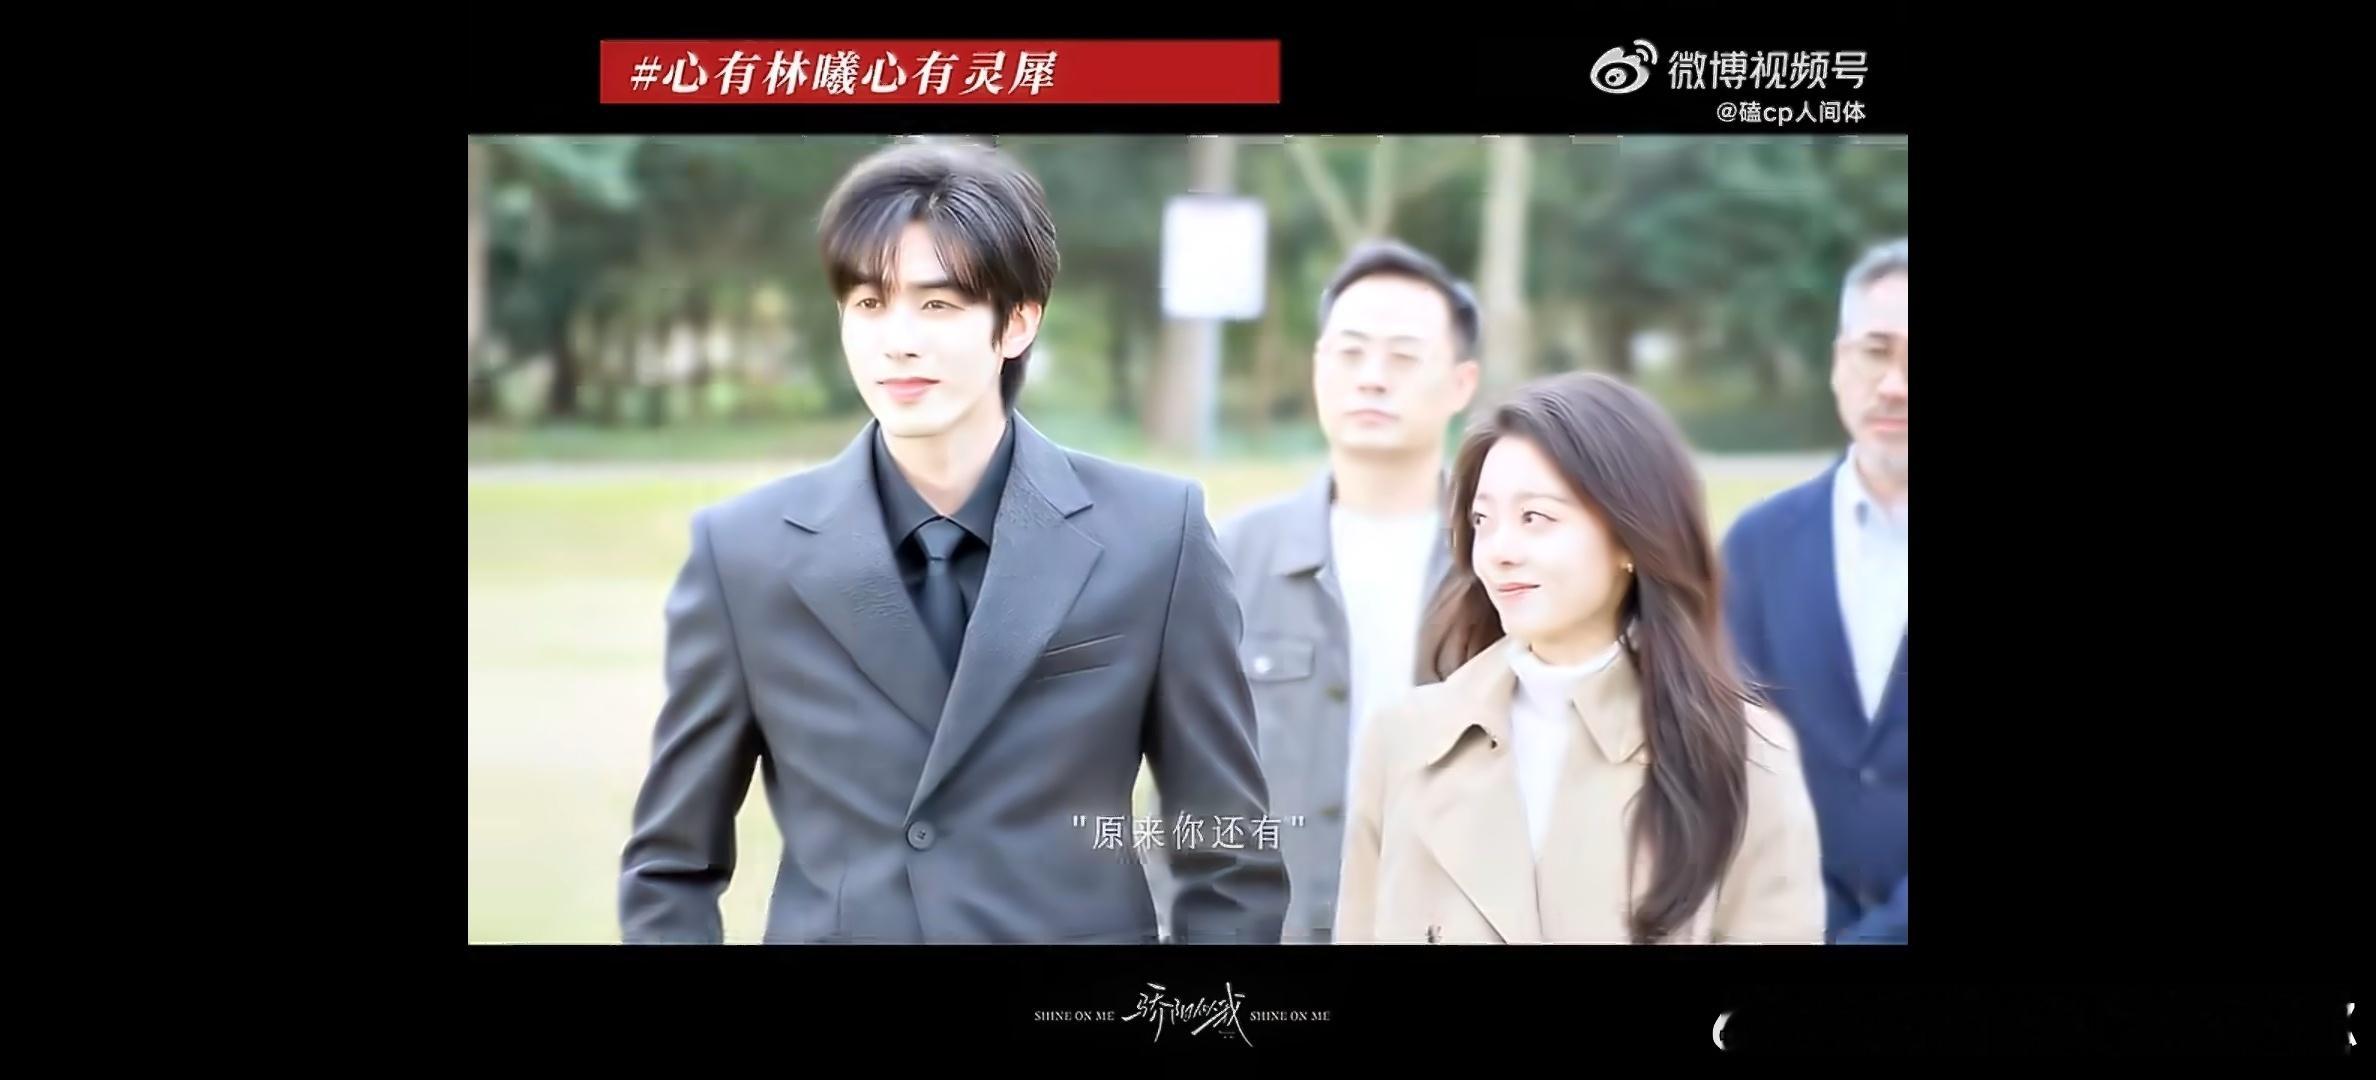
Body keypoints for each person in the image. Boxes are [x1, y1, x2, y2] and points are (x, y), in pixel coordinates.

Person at [617, 142, 1289, 944]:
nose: (898, 341)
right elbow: (671, 866)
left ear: (1018, 322)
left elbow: (1227, 853)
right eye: (870, 303)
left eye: (937, 305)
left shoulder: (1155, 536)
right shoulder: (743, 555)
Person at [1334, 372, 1825, 944]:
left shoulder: (1744, 757)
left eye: (1535, 518)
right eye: (1482, 521)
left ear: (1629, 536)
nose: (1498, 552)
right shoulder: (1403, 740)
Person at [1149, 240, 1479, 944]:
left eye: (1404, 357)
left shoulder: (1498, 565)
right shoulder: (1222, 558)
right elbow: (1177, 786)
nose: (1372, 379)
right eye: (1350, 353)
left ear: (1461, 384)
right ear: (1318, 369)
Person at [1719, 238, 1907, 944]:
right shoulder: (1756, 546)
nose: (1894, 385)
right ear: (1837, 364)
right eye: (1875, 352)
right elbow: (1726, 764)